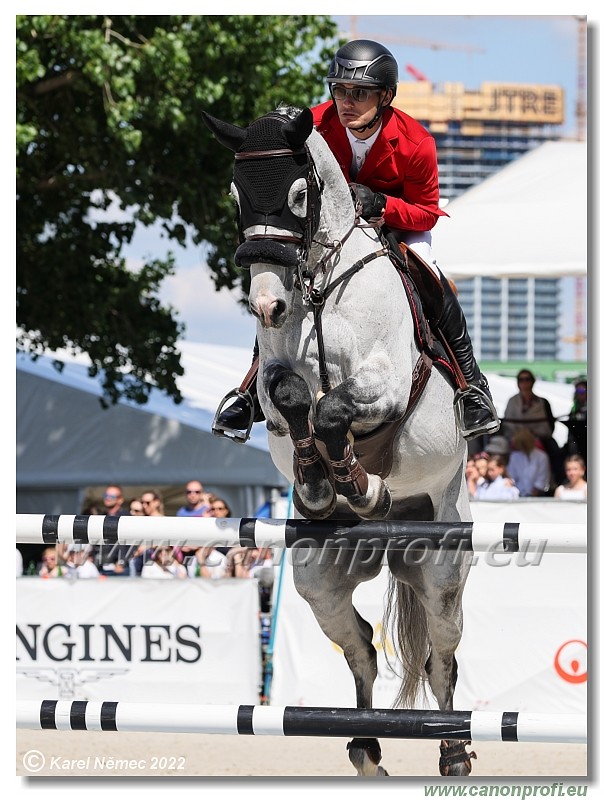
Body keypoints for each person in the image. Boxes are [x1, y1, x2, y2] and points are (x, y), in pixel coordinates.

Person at [213, 38, 499, 443]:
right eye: (340, 90)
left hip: (396, 223)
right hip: (331, 229)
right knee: (280, 285)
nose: (347, 101)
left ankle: (472, 388)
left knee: (430, 276)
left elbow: (426, 211)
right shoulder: (311, 127)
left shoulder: (417, 143)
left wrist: (380, 201)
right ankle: (251, 388)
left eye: (360, 93)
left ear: (385, 96)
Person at [501, 369, 563, 484]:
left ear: (533, 382)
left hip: (539, 438)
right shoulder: (512, 401)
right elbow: (507, 424)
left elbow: (549, 426)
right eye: (521, 379)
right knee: (499, 448)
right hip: (515, 438)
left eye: (527, 379)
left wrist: (532, 435)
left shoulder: (543, 402)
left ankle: (556, 482)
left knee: (555, 451)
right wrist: (520, 435)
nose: (524, 382)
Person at [507, 427, 551, 498]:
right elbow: (511, 476)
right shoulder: (514, 456)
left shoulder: (541, 456)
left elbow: (541, 480)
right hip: (518, 494)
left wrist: (531, 497)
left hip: (537, 495)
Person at [563, 377, 587, 467]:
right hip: (576, 445)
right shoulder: (574, 409)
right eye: (577, 391)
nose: (579, 393)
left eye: (582, 390)